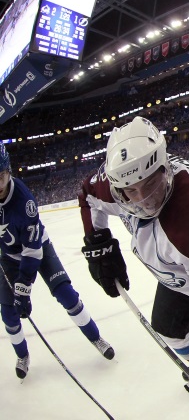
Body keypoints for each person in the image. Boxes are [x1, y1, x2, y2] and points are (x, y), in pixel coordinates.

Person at [78, 116, 189, 416]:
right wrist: (97, 240)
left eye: (150, 183)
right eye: (130, 191)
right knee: (168, 329)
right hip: (177, 275)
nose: (143, 201)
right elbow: (87, 194)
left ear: (165, 168)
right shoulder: (119, 181)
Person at [0, 143, 114, 380]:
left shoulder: (24, 202)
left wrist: (23, 289)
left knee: (66, 294)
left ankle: (96, 337)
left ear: (8, 172)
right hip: (8, 257)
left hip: (37, 249)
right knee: (8, 312)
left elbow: (33, 252)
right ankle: (22, 355)